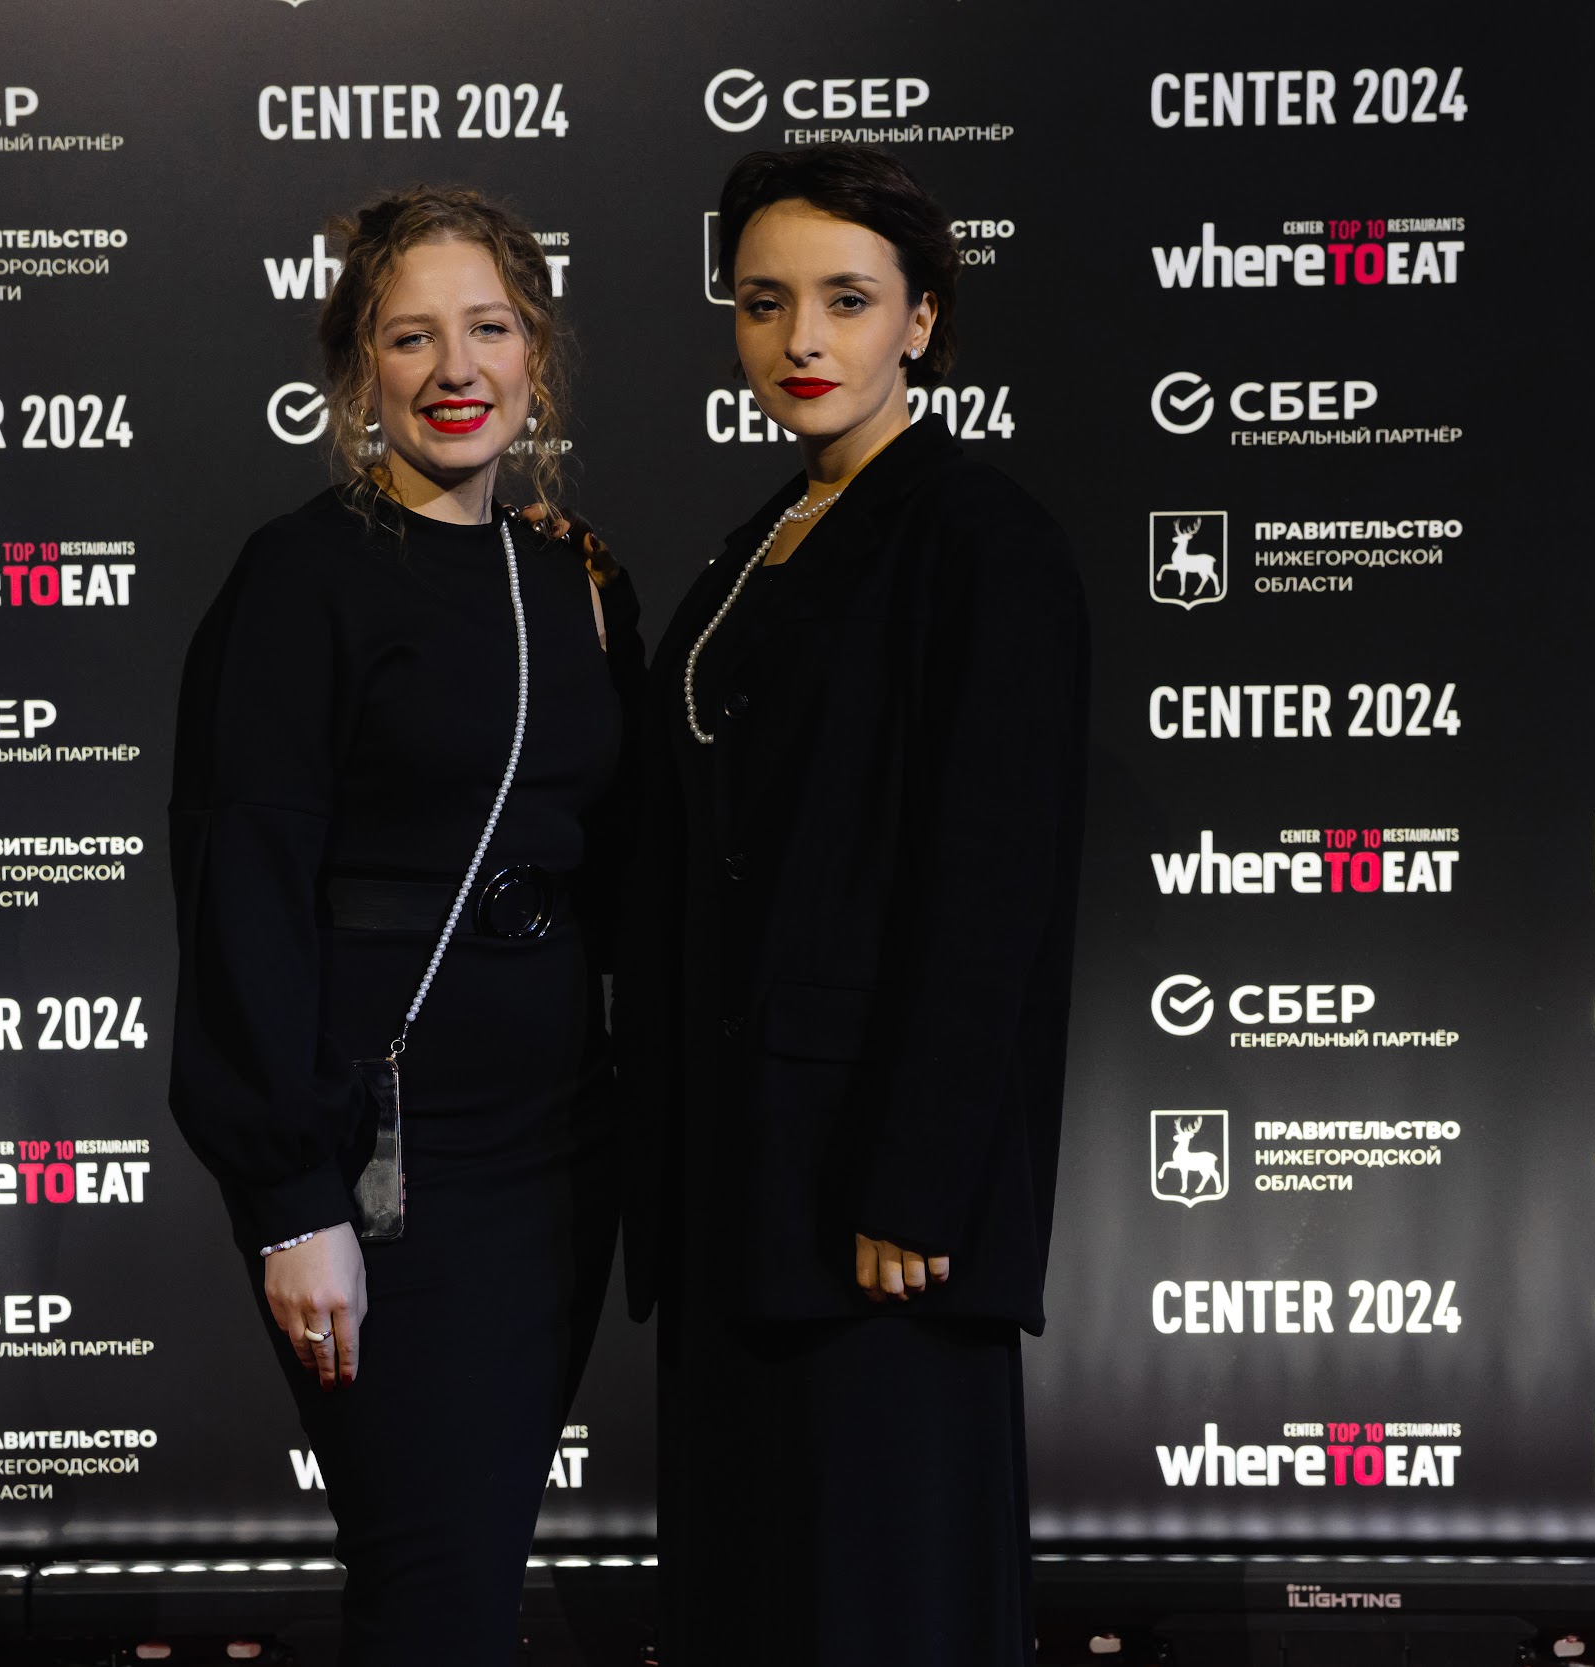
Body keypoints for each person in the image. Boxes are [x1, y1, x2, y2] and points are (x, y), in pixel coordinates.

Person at [620, 145, 1088, 1665]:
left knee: (880, 1607)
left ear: (921, 322)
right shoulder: (768, 535)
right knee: (755, 1604)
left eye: (845, 300)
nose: (800, 340)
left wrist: (918, 1179)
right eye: (765, 303)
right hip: (744, 1190)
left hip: (878, 1224)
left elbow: (992, 881)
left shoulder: (978, 535)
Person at [167, 185, 639, 1666]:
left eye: (488, 328)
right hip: (386, 1171)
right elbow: (243, 885)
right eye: (410, 335)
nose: (456, 368)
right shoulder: (299, 576)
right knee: (432, 1590)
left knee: (473, 1571)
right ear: (355, 370)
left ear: (536, 352)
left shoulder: (577, 578)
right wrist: (290, 1201)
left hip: (559, 1161)